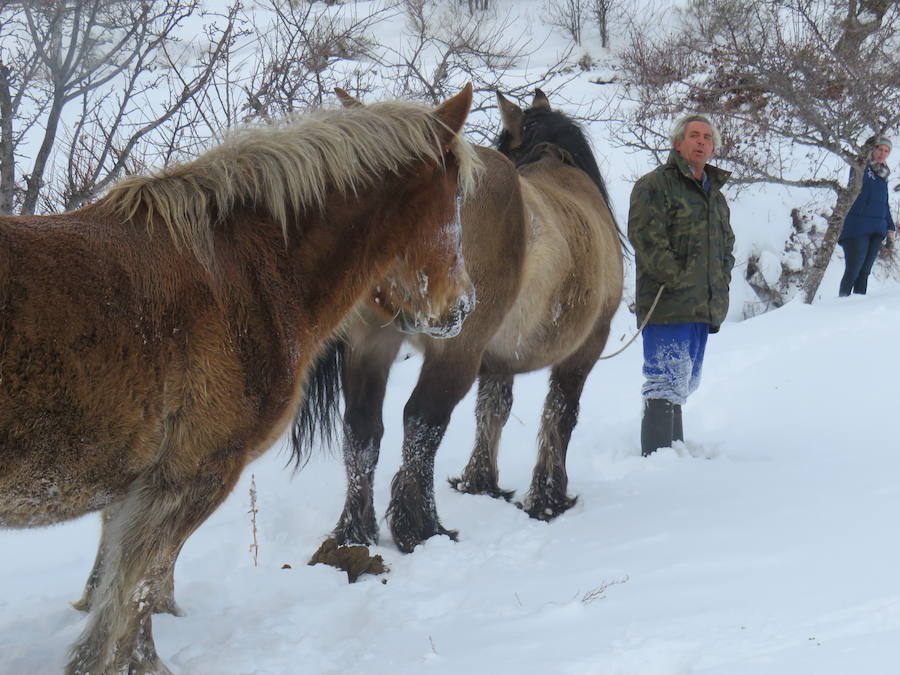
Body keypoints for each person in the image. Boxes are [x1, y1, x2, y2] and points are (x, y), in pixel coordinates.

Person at [627, 114, 735, 456]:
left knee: (684, 381)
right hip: (667, 301)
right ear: (678, 143)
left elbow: (727, 245)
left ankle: (672, 452)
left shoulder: (714, 195)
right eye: (694, 135)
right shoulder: (655, 184)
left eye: (707, 137)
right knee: (663, 380)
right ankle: (657, 458)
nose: (702, 142)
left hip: (702, 304)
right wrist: (675, 277)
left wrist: (722, 276)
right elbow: (646, 238)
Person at [837, 136, 895, 297]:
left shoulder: (883, 174)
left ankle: (857, 307)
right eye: (879, 149)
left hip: (877, 228)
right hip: (858, 226)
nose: (882, 153)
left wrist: (890, 228)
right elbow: (855, 185)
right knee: (853, 270)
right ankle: (840, 304)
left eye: (886, 151)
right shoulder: (861, 167)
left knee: (864, 273)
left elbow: (884, 203)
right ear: (872, 149)